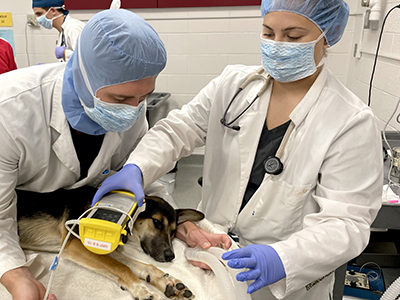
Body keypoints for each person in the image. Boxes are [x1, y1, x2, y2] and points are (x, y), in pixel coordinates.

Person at [92, 0, 383, 299]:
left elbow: (346, 222)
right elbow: (178, 129)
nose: (278, 45)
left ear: (327, 36)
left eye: (293, 36)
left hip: (283, 280)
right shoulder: (234, 85)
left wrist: (282, 259)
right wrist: (137, 167)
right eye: (268, 33)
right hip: (208, 252)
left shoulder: (351, 121)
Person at [0, 9, 168, 300]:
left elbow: (139, 174)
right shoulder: (10, 111)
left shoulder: (133, 109)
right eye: (121, 99)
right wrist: (16, 276)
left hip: (76, 215)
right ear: (84, 76)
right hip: (20, 215)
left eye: (142, 98)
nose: (133, 109)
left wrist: (170, 214)